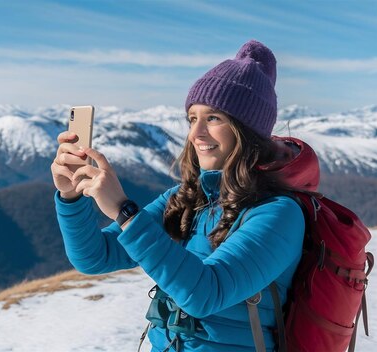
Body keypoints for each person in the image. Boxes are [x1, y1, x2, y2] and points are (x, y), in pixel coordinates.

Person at [51, 40, 309, 352]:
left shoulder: (278, 213)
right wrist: (70, 196)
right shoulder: (187, 198)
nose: (196, 133)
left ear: (247, 131)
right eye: (192, 118)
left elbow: (205, 294)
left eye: (213, 118)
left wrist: (124, 211)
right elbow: (94, 257)